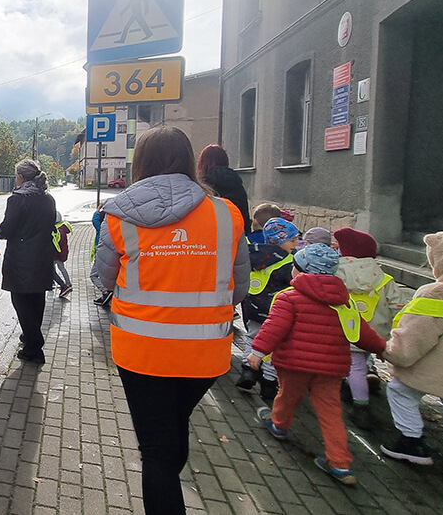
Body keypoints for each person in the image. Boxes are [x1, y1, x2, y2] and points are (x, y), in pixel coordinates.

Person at [94, 127, 249, 513]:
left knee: (157, 452)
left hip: (141, 353)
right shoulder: (226, 214)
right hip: (206, 353)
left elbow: (104, 279)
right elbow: (240, 290)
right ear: (187, 159)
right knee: (173, 431)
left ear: (140, 163)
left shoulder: (118, 216)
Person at [248, 243, 386, 487]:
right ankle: (340, 463)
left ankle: (279, 425)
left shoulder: (288, 298)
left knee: (287, 396)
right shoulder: (345, 302)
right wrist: (382, 349)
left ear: (300, 272)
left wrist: (257, 352)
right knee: (331, 412)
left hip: (294, 364)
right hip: (331, 369)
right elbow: (362, 332)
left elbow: (274, 328)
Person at [380, 228, 443, 495]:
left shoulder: (436, 294)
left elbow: (415, 337)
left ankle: (410, 442)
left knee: (400, 391)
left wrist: (393, 353)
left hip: (429, 367)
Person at [333, 227, 403, 430]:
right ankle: (356, 387)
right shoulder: (384, 279)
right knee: (361, 363)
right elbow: (398, 306)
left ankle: (360, 404)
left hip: (345, 330)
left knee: (352, 365)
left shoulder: (337, 272)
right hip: (374, 333)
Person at [0, 159, 57, 365]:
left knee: (21, 301)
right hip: (42, 257)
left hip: (21, 259)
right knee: (37, 300)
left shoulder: (17, 199)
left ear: (21, 177)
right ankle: (29, 335)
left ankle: (33, 347)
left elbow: (7, 230)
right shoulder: (48, 199)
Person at [235, 217, 299, 403]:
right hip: (277, 310)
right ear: (279, 240)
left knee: (252, 338)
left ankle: (247, 371)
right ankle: (269, 382)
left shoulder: (253, 253)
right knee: (274, 345)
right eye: (292, 240)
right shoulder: (288, 262)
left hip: (253, 306)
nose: (295, 244)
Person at [197, 144, 252, 234]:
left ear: (202, 163)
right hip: (235, 235)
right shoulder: (237, 184)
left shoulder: (203, 186)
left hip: (210, 236)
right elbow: (244, 215)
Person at [51, 212, 73, 298]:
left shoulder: (58, 230)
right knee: (57, 269)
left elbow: (56, 243)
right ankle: (66, 283)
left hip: (56, 254)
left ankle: (66, 284)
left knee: (55, 269)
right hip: (59, 254)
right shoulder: (62, 228)